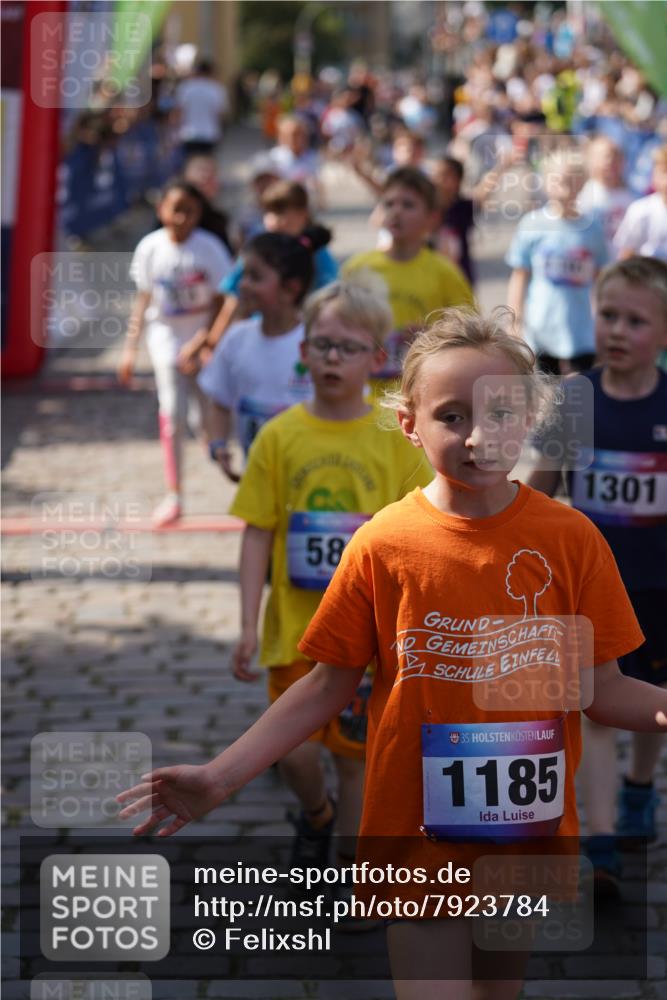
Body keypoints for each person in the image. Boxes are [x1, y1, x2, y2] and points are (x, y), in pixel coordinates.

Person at [119, 308, 667, 999]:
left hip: (524, 835)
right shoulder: (383, 544)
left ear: (528, 419)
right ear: (408, 422)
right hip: (413, 831)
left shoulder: (570, 540)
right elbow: (324, 688)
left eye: (499, 414)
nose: (477, 436)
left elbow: (603, 690)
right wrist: (220, 778)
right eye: (450, 416)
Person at [227, 274, 432, 867]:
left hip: (366, 642)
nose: (332, 357)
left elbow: (420, 531)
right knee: (291, 753)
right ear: (303, 351)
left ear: (375, 357)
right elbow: (257, 531)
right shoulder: (279, 436)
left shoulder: (395, 439)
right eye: (322, 344)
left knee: (355, 764)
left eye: (347, 347)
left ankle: (353, 882)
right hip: (295, 632)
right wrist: (245, 622)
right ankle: (313, 815)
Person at [528, 257, 667, 895]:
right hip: (592, 594)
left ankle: (642, 787)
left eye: (636, 320)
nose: (617, 330)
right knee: (597, 710)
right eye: (608, 314)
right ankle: (603, 840)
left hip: (660, 588)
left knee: (650, 705)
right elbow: (539, 491)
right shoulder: (575, 399)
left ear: (663, 334)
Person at [118, 179, 233, 526]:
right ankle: (175, 494)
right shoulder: (150, 248)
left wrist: (207, 340)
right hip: (165, 337)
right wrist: (130, 349)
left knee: (205, 415)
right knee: (173, 413)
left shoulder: (210, 248)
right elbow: (142, 301)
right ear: (161, 211)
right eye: (175, 209)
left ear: (200, 214)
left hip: (202, 338)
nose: (181, 218)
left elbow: (223, 299)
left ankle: (221, 458)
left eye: (190, 210)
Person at [197, 228, 331, 479]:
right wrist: (218, 445)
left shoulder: (320, 343)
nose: (243, 285)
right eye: (244, 275)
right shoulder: (236, 338)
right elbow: (219, 401)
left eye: (255, 277)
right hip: (256, 481)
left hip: (314, 478)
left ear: (291, 288)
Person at [343, 166, 474, 389]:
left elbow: (470, 336)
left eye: (408, 205)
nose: (396, 212)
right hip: (362, 392)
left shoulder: (446, 273)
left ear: (432, 217)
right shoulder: (358, 267)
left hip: (420, 391)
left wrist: (432, 336)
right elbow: (337, 324)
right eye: (389, 204)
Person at [196, 182, 340, 363]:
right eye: (268, 213)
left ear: (303, 215)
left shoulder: (317, 254)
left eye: (281, 213)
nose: (273, 220)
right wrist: (214, 340)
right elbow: (232, 296)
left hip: (303, 339)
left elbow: (330, 299)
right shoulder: (257, 249)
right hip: (262, 335)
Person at [506, 148, 609, 376]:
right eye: (558, 178)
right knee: (544, 392)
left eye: (573, 178)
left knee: (586, 390)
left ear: (583, 183)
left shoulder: (592, 228)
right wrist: (514, 320)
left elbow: (600, 279)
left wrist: (604, 319)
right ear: (545, 182)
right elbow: (520, 275)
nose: (565, 184)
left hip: (581, 329)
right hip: (542, 326)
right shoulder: (532, 223)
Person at [576, 136, 634, 255]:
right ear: (590, 160)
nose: (611, 161)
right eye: (606, 156)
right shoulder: (580, 196)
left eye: (616, 156)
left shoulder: (634, 198)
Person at [614, 145, 667, 261]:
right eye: (664, 171)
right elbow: (626, 253)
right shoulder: (641, 210)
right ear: (654, 175)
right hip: (648, 274)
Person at [174, 59, 229, 157]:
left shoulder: (185, 87)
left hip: (188, 133)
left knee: (189, 165)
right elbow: (220, 114)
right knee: (205, 164)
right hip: (209, 134)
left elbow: (178, 111)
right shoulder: (217, 89)